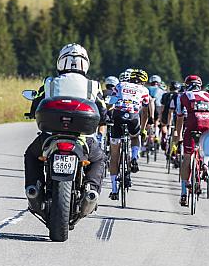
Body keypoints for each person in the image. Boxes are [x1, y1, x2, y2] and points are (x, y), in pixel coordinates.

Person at [24, 43, 106, 207]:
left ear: (61, 62)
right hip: (83, 139)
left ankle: (34, 188)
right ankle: (91, 188)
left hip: (50, 136)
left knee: (32, 155)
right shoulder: (93, 85)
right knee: (99, 158)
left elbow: (37, 103)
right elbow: (102, 111)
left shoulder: (49, 83)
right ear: (86, 63)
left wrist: (32, 113)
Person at [107, 68, 151, 200]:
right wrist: (142, 129)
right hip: (133, 117)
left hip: (118, 116)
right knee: (135, 136)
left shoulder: (120, 85)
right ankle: (135, 156)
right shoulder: (144, 90)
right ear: (143, 82)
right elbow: (145, 112)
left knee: (114, 155)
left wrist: (107, 116)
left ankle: (114, 189)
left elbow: (111, 103)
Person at [174, 74, 209, 207]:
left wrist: (178, 135)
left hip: (193, 121)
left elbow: (179, 118)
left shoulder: (183, 95)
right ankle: (205, 164)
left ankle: (184, 193)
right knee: (205, 147)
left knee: (187, 156)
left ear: (187, 85)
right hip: (207, 121)